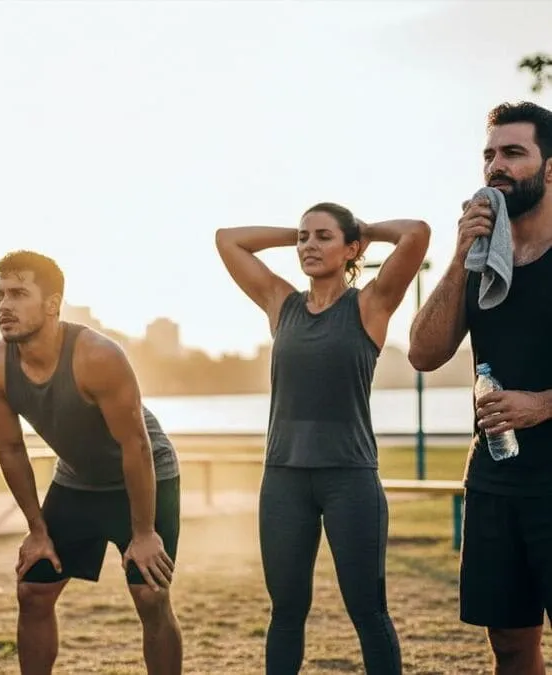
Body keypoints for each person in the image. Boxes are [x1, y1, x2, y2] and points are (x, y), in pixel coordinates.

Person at [216, 205, 430, 674]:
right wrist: (293, 234)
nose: (309, 245)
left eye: (323, 237)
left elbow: (416, 233)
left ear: (352, 249)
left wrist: (366, 230)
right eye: (303, 237)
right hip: (283, 480)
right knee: (286, 612)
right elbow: (227, 238)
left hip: (349, 479)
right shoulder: (281, 303)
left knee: (368, 611)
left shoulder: (370, 305)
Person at [0, 250, 183, 675]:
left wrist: (143, 533)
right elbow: (10, 449)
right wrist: (36, 530)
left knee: (150, 596)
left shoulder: (97, 355)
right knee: (33, 590)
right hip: (77, 480)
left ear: (52, 304)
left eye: (18, 293)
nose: (3, 306)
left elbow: (136, 446)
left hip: (145, 473)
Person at [409, 101, 552, 675]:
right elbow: (423, 352)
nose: (496, 166)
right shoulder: (485, 262)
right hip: (495, 479)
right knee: (511, 645)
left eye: (513, 153)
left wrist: (541, 404)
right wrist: (460, 254)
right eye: (489, 154)